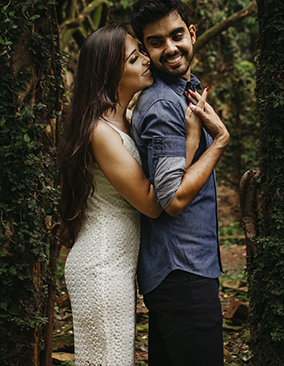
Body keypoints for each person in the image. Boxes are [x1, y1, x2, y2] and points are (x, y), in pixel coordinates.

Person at [57, 24, 230, 366]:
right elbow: (153, 204)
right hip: (101, 264)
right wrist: (193, 140)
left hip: (121, 264)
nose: (146, 61)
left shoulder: (129, 119)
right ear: (110, 71)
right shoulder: (100, 132)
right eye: (135, 58)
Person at [130, 0, 227, 365]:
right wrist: (220, 140)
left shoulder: (185, 90)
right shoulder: (164, 105)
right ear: (144, 48)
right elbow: (172, 200)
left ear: (192, 32)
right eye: (156, 42)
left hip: (181, 271)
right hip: (182, 271)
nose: (170, 48)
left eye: (176, 36)